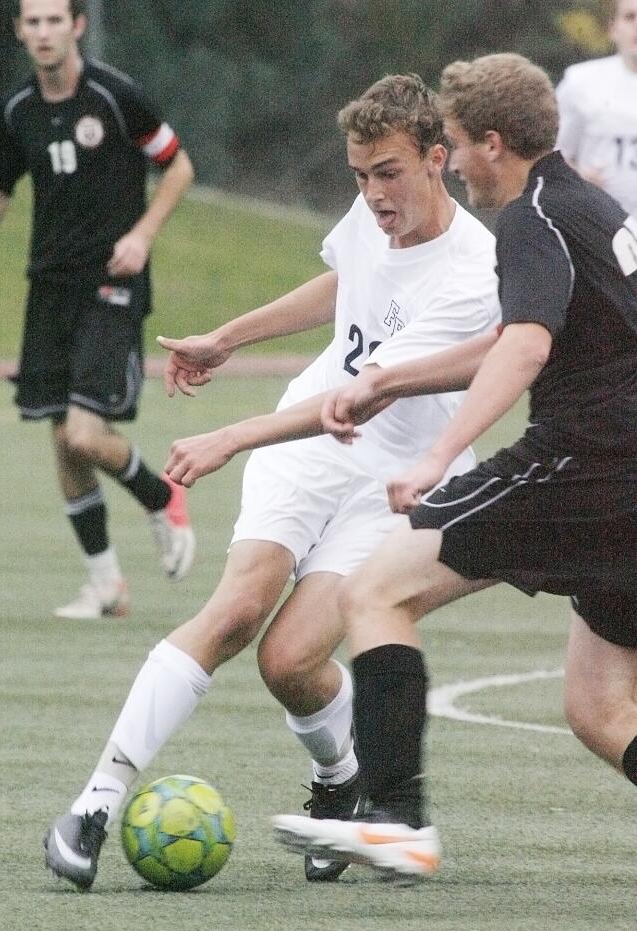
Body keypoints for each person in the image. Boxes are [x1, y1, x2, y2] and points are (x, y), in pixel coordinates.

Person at [42, 72, 501, 889]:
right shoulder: (371, 213)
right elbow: (344, 285)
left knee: (290, 661)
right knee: (236, 611)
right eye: (358, 176)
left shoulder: (474, 273)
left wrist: (233, 434)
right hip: (309, 448)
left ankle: (342, 781)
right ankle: (95, 802)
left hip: (392, 480)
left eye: (388, 173)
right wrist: (230, 336)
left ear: (438, 159)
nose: (371, 193)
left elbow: (363, 396)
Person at [272, 52, 637, 882]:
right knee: (598, 707)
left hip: (590, 463)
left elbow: (526, 346)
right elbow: (523, 330)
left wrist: (440, 455)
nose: (457, 161)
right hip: (623, 474)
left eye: (459, 144)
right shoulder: (588, 204)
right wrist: (390, 378)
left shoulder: (529, 218)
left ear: (493, 143)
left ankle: (398, 821)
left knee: (375, 588)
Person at [0, 0, 196, 619]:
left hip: (112, 283)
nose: (45, 32)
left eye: (56, 20)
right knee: (61, 439)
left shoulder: (115, 96)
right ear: (20, 32)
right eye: (33, 22)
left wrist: (143, 235)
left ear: (76, 27)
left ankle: (160, 496)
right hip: (49, 287)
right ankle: (106, 587)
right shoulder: (16, 112)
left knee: (83, 431)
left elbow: (178, 166)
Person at [556, 0, 637, 214]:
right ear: (613, 28)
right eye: (630, 17)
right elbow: (552, 152)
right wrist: (577, 177)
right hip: (600, 227)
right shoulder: (581, 82)